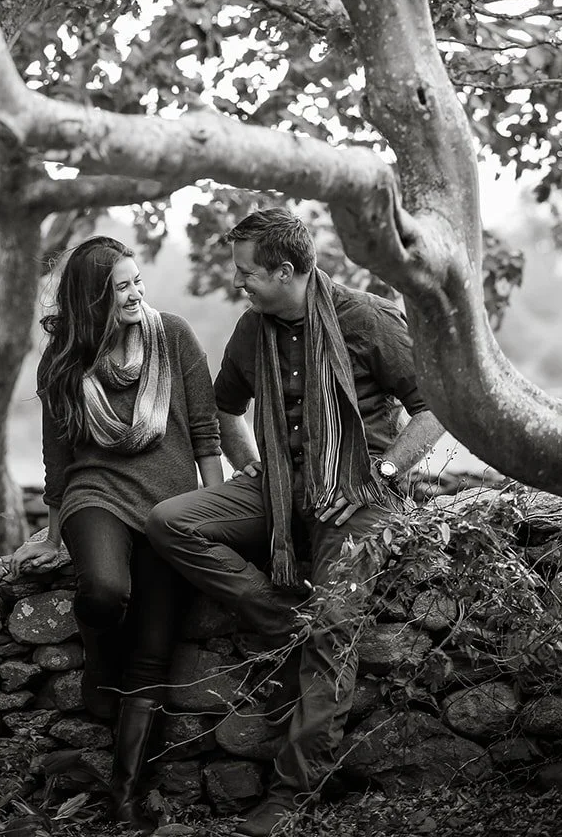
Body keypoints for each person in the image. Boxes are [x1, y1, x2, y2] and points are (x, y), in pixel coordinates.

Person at [146, 210, 443, 836]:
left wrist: (382, 474)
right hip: (279, 490)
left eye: (248, 272)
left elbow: (433, 409)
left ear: (286, 271)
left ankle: (291, 795)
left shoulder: (368, 318)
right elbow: (227, 407)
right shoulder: (252, 330)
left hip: (360, 498)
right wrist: (251, 465)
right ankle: (284, 620)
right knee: (171, 523)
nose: (239, 283)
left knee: (335, 627)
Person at [10, 236, 223, 823]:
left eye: (137, 281)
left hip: (171, 508)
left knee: (153, 652)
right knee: (104, 590)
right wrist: (53, 536)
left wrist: (213, 514)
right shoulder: (62, 362)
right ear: (93, 300)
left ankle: (126, 795)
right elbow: (58, 459)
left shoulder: (173, 335)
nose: (135, 294)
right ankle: (100, 665)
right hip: (95, 495)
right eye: (121, 287)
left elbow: (205, 434)